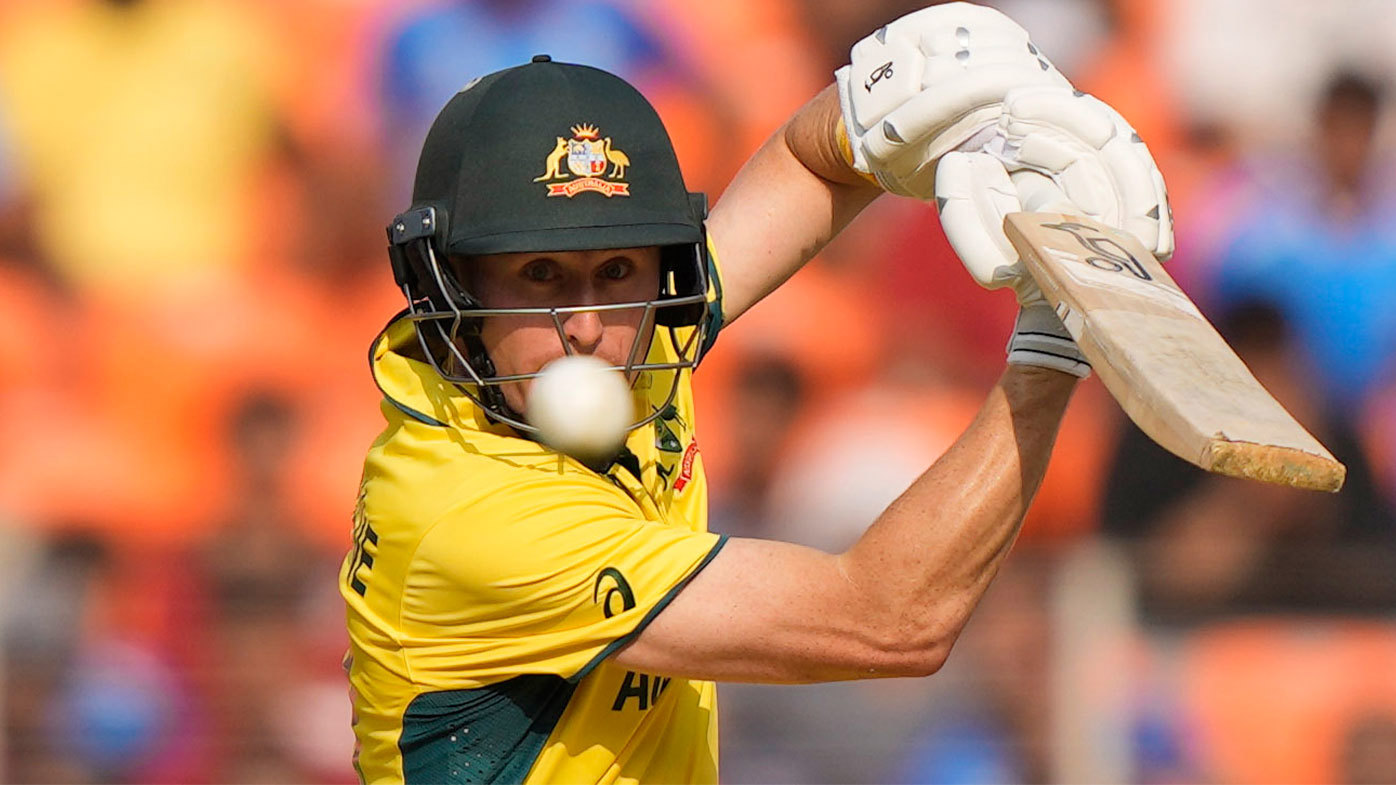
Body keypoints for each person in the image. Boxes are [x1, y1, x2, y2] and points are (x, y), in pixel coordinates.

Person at [341, 4, 1173, 782]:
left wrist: (889, 100)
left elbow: (812, 163)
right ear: (449, 287)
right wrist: (1055, 342)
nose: (588, 326)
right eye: (539, 274)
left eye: (617, 270)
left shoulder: (623, 349)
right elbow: (890, 620)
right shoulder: (472, 516)